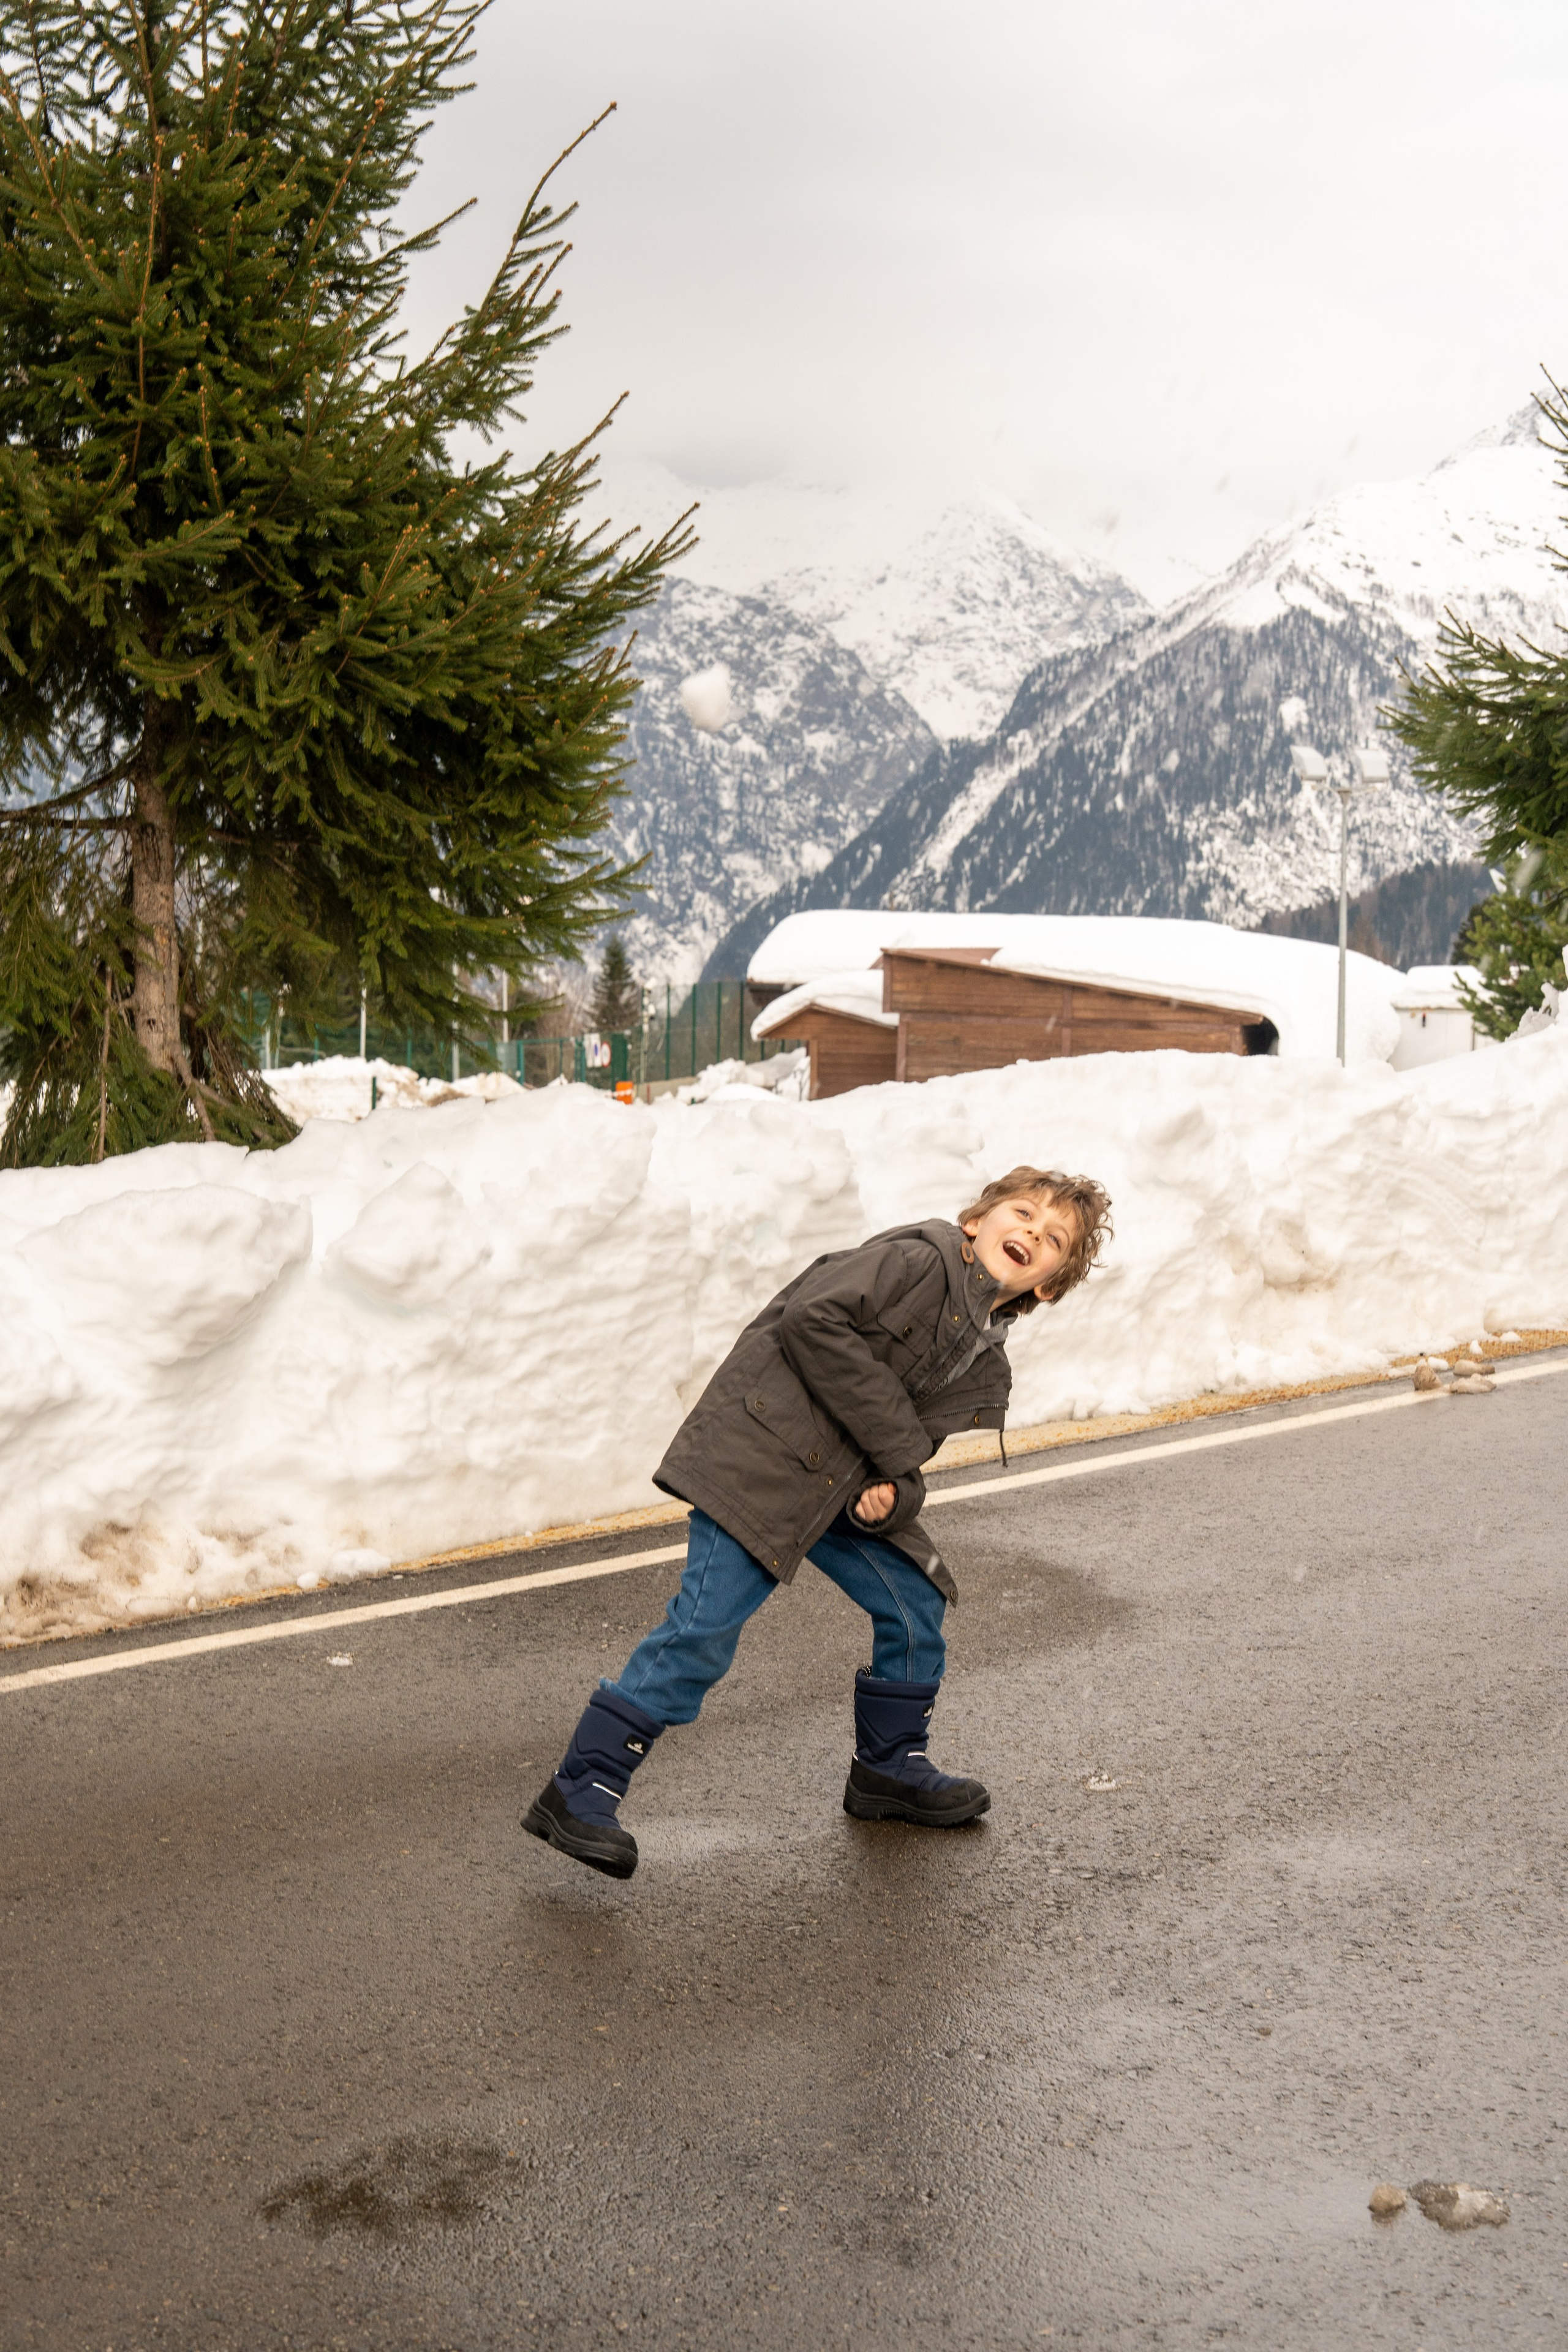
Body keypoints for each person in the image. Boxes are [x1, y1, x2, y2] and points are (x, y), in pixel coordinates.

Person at [523, 1164, 1113, 1879]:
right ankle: (581, 1787)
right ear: (973, 1222)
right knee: (704, 1631)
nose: (1029, 1233)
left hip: (835, 1482)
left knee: (915, 1598)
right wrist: (893, 1453)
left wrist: (895, 1496)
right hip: (761, 1457)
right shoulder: (916, 1259)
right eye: (1020, 1213)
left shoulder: (984, 1362)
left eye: (1052, 1238)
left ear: (1048, 1284)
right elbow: (814, 1319)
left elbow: (908, 1451)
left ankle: (888, 1769)